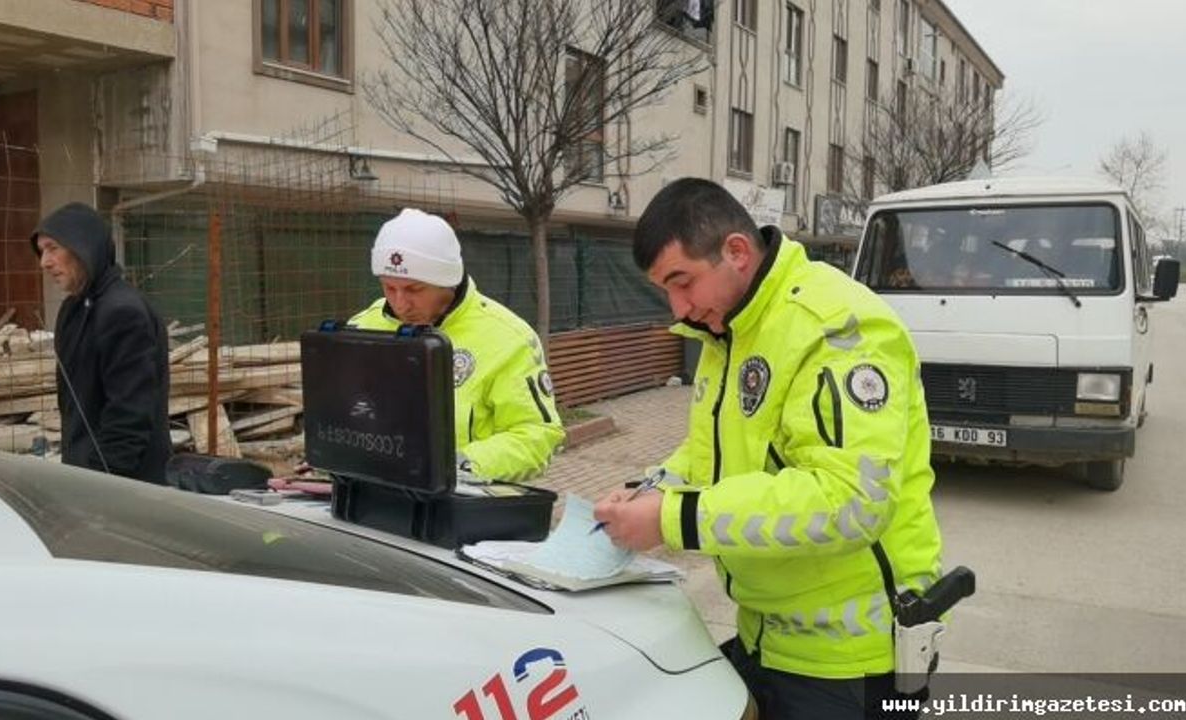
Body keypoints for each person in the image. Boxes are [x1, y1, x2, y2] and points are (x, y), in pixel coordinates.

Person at [595, 178, 943, 719]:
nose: (679, 308)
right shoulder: (731, 327)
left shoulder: (837, 329)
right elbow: (719, 449)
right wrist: (654, 486)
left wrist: (672, 519)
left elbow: (850, 501)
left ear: (736, 251)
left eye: (682, 282)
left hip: (848, 663)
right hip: (767, 635)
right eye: (665, 289)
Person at [348, 208, 564, 482]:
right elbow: (342, 410)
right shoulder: (360, 328)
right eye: (389, 288)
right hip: (366, 501)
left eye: (414, 290)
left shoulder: (508, 338)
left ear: (448, 281)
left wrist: (457, 467)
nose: (400, 304)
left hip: (461, 509)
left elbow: (537, 434)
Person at [31, 202, 171, 483]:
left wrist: (97, 485)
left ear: (84, 248)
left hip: (124, 486)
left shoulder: (122, 312)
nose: (44, 262)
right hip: (88, 476)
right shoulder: (75, 308)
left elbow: (129, 417)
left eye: (53, 248)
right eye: (42, 250)